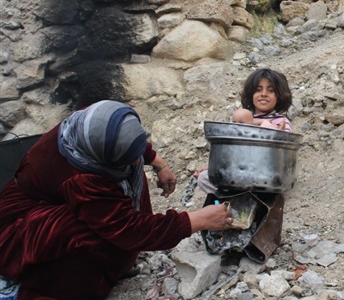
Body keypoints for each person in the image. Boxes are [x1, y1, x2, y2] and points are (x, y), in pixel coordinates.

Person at [0, 100, 234, 300]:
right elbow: (128, 229)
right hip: (17, 230)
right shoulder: (82, 179)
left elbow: (126, 139)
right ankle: (54, 283)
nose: (134, 162)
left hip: (75, 195)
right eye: (127, 158)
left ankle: (118, 257)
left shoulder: (95, 121)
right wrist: (196, 220)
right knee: (83, 230)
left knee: (131, 174)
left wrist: (158, 162)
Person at [196, 68, 294, 193]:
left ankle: (241, 203)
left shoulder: (280, 122)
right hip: (239, 171)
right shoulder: (243, 118)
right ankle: (233, 205)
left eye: (271, 90)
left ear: (279, 96)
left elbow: (282, 156)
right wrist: (214, 168)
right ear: (251, 93)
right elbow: (231, 153)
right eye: (258, 90)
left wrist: (268, 128)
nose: (264, 94)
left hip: (265, 174)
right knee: (204, 178)